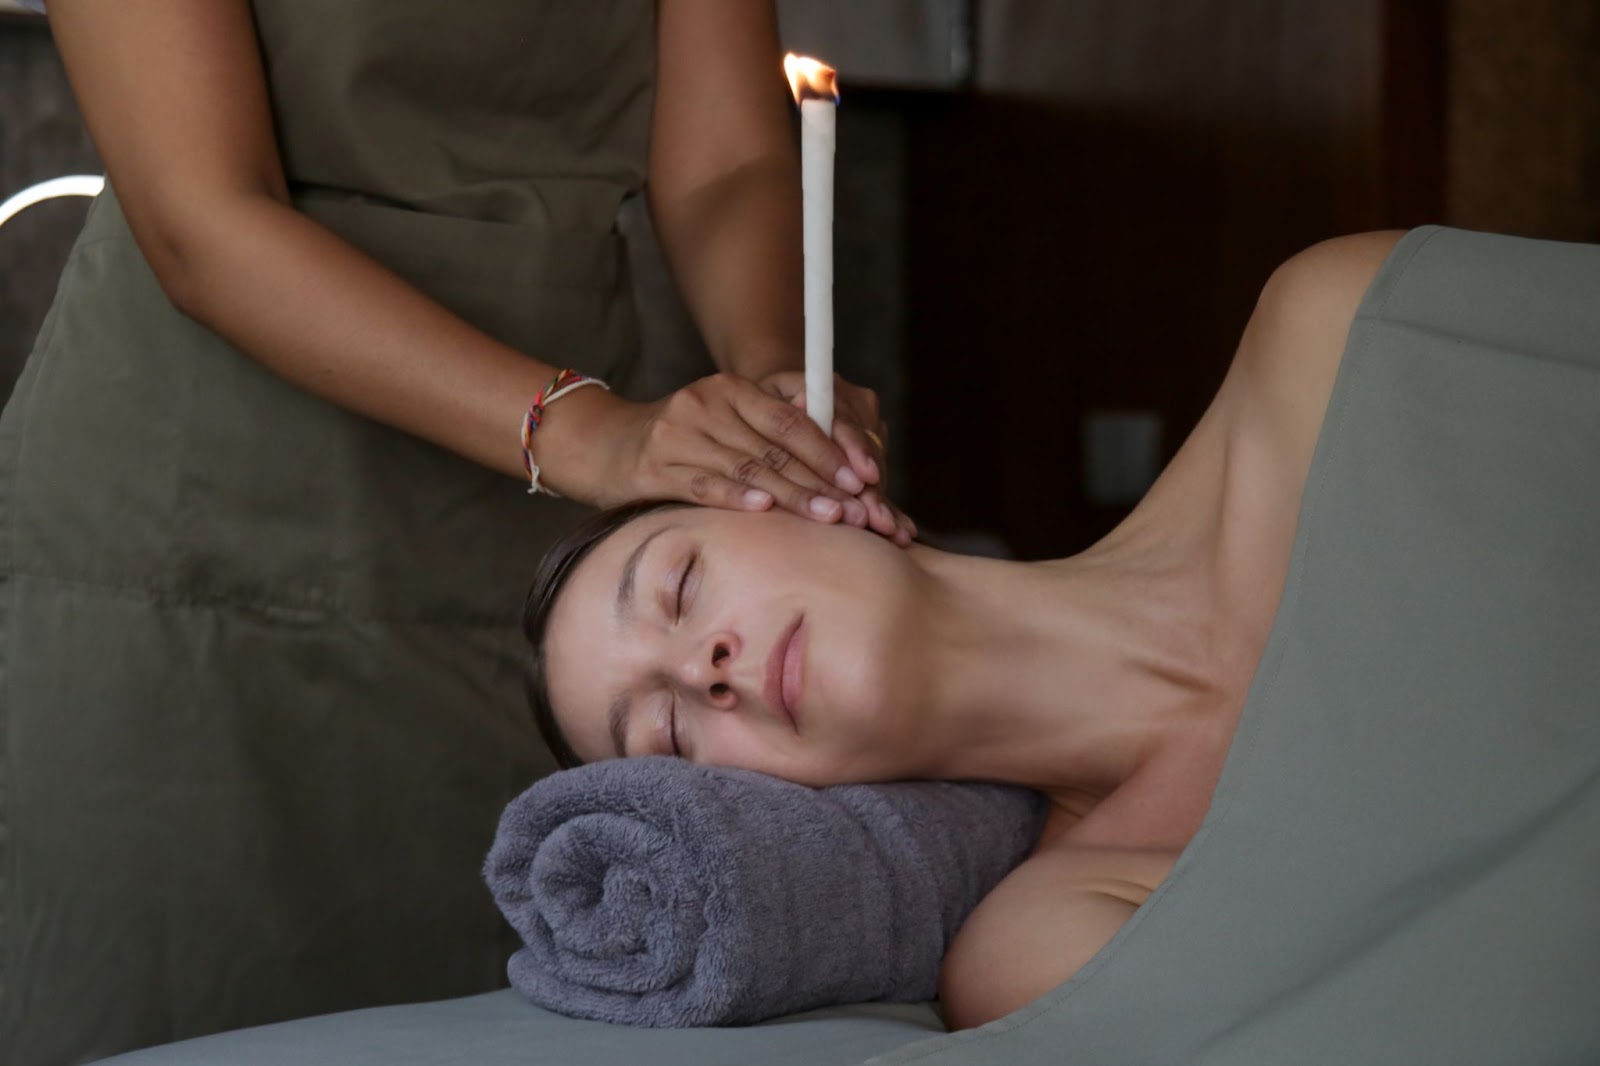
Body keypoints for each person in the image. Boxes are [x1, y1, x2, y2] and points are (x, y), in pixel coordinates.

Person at [0, 2, 912, 1064]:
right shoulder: (592, 444)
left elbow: (720, 164)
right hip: (197, 523)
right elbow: (202, 222)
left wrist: (769, 381)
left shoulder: (614, 635)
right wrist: (586, 435)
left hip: (547, 551)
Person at [519, 229, 1412, 1027]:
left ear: (812, 471)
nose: (701, 671)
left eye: (680, 586)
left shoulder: (1336, 338)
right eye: (670, 734)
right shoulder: (1043, 949)